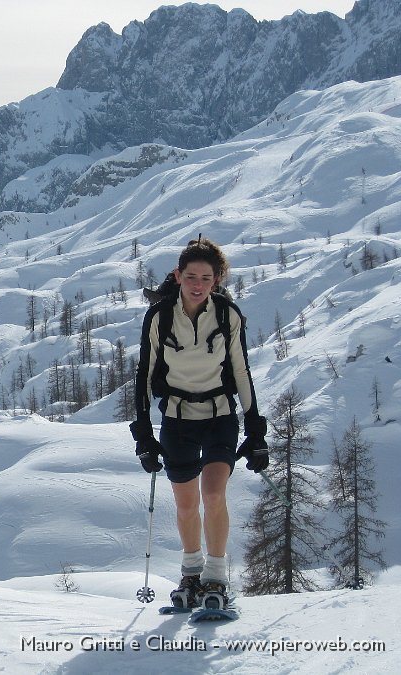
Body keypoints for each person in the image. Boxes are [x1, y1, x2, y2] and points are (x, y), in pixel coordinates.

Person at [130, 236, 268, 610]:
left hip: (219, 415)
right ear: (178, 276)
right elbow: (145, 373)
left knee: (212, 493)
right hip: (176, 420)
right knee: (187, 503)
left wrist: (255, 429)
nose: (197, 284)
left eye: (206, 278)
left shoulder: (227, 315)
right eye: (191, 276)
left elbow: (240, 369)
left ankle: (217, 577)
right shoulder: (159, 317)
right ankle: (191, 572)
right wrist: (142, 433)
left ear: (217, 280)